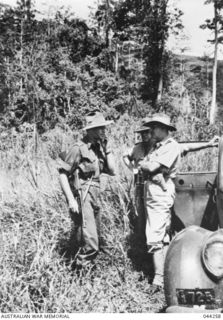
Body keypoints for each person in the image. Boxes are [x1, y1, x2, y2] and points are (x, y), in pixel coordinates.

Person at [138, 113, 219, 292]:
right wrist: (208, 143)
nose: (151, 129)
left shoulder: (169, 146)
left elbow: (151, 167)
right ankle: (166, 274)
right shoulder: (160, 146)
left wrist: (142, 163)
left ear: (165, 129)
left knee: (154, 235)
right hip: (154, 191)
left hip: (160, 192)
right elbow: (187, 147)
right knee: (162, 234)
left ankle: (159, 281)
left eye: (155, 126)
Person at [58, 110, 116, 269]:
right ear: (90, 130)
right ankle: (80, 272)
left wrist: (108, 149)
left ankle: (78, 268)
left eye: (104, 127)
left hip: (95, 195)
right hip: (83, 195)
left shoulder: (99, 148)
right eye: (100, 127)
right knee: (91, 240)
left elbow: (112, 170)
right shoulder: (78, 148)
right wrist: (71, 200)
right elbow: (63, 174)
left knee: (89, 234)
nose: (104, 130)